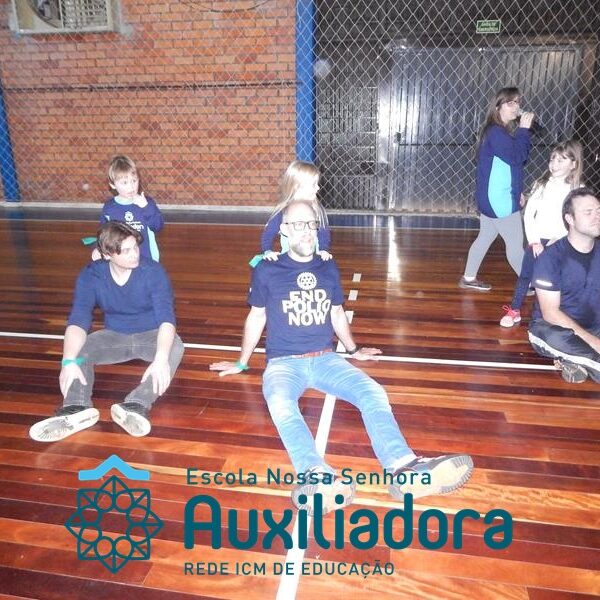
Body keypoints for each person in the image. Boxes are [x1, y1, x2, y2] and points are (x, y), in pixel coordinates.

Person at [211, 200, 473, 514]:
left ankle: (404, 468)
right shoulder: (267, 270)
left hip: (325, 358)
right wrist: (242, 361)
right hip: (284, 363)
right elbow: (257, 316)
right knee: (280, 403)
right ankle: (317, 475)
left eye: (311, 224)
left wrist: (353, 350)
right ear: (284, 231)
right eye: (298, 224)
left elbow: (336, 313)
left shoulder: (328, 267)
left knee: (373, 392)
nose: (306, 231)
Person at [29, 221, 184, 442]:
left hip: (151, 334)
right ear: (107, 254)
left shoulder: (153, 272)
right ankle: (76, 407)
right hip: (114, 336)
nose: (135, 254)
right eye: (126, 251)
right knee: (81, 350)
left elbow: (167, 319)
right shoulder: (92, 275)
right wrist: (68, 361)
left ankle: (136, 405)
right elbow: (78, 320)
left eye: (135, 247)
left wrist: (160, 359)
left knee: (174, 347)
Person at [500, 140, 583, 327]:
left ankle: (556, 313)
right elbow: (529, 214)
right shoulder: (542, 184)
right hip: (538, 240)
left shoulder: (577, 189)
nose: (554, 164)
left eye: (561, 160)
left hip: (562, 242)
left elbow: (575, 219)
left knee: (556, 279)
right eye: (552, 159)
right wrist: (534, 241)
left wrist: (560, 237)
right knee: (526, 275)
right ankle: (514, 310)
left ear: (573, 164)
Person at [460, 87, 534, 291]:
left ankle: (468, 278)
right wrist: (524, 130)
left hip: (493, 198)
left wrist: (518, 191)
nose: (516, 107)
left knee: (485, 237)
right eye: (510, 103)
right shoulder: (496, 133)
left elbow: (510, 167)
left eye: (518, 102)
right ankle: (531, 285)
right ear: (498, 107)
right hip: (498, 200)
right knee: (515, 245)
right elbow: (518, 157)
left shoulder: (498, 132)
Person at [528, 188, 600, 383]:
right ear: (570, 219)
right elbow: (550, 313)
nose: (597, 216)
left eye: (599, 211)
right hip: (554, 329)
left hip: (595, 327)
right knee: (553, 336)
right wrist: (593, 342)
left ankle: (573, 359)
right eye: (588, 212)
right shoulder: (551, 258)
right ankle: (582, 357)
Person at [92, 155, 164, 262]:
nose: (131, 187)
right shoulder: (109, 208)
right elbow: (104, 235)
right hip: (121, 260)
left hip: (146, 259)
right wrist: (99, 249)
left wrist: (146, 208)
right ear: (113, 185)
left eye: (134, 181)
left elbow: (158, 226)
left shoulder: (147, 203)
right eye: (124, 183)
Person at [258, 160, 332, 263]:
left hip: (311, 260)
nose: (318, 188)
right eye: (313, 184)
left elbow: (323, 232)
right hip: (289, 262)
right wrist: (267, 251)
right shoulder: (284, 211)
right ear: (297, 186)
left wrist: (323, 250)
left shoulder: (316, 209)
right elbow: (268, 233)